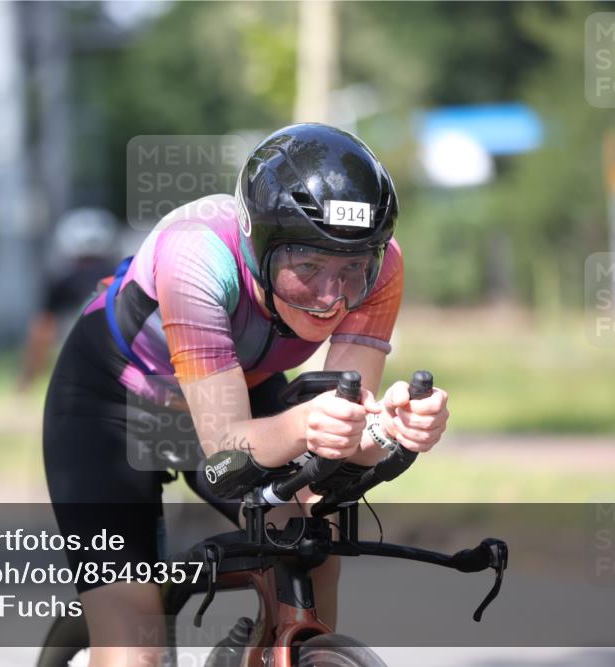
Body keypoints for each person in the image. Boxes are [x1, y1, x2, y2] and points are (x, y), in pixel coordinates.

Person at [42, 123, 450, 666]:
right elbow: (225, 444)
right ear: (259, 245)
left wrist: (393, 429)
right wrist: (310, 425)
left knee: (312, 541)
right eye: (307, 268)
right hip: (112, 405)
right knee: (134, 642)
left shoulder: (382, 265)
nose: (332, 297)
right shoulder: (197, 254)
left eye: (352, 269)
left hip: (239, 390)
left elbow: (346, 437)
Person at [17, 207, 120, 392]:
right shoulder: (124, 274)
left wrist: (27, 378)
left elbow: (42, 331)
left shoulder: (64, 280)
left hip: (83, 358)